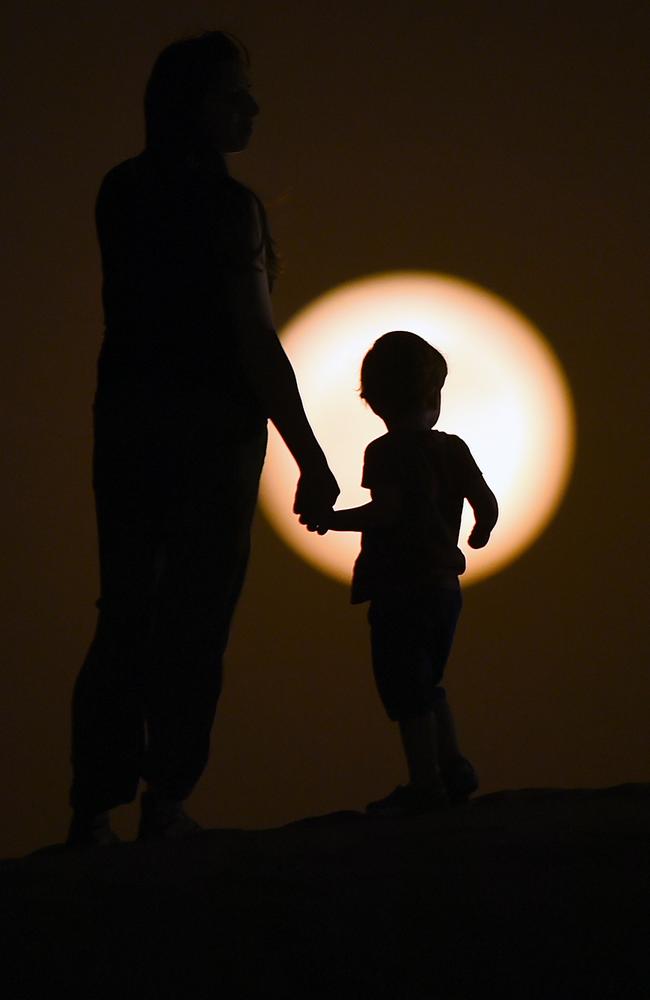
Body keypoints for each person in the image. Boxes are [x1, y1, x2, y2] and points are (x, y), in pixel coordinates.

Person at [68, 32, 339, 846]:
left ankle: (94, 805)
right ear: (193, 106)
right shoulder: (229, 208)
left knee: (125, 610)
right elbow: (254, 342)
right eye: (232, 95)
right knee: (192, 616)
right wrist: (313, 456)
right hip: (209, 433)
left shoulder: (121, 191)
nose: (251, 109)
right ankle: (167, 799)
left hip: (125, 422)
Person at [302, 331, 498, 816]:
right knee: (428, 681)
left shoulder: (385, 452)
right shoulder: (453, 448)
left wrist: (332, 519)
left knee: (405, 690)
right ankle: (452, 764)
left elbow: (386, 512)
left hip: (400, 588)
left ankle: (425, 782)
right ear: (434, 395)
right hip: (445, 589)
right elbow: (486, 503)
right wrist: (480, 532)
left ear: (374, 402)